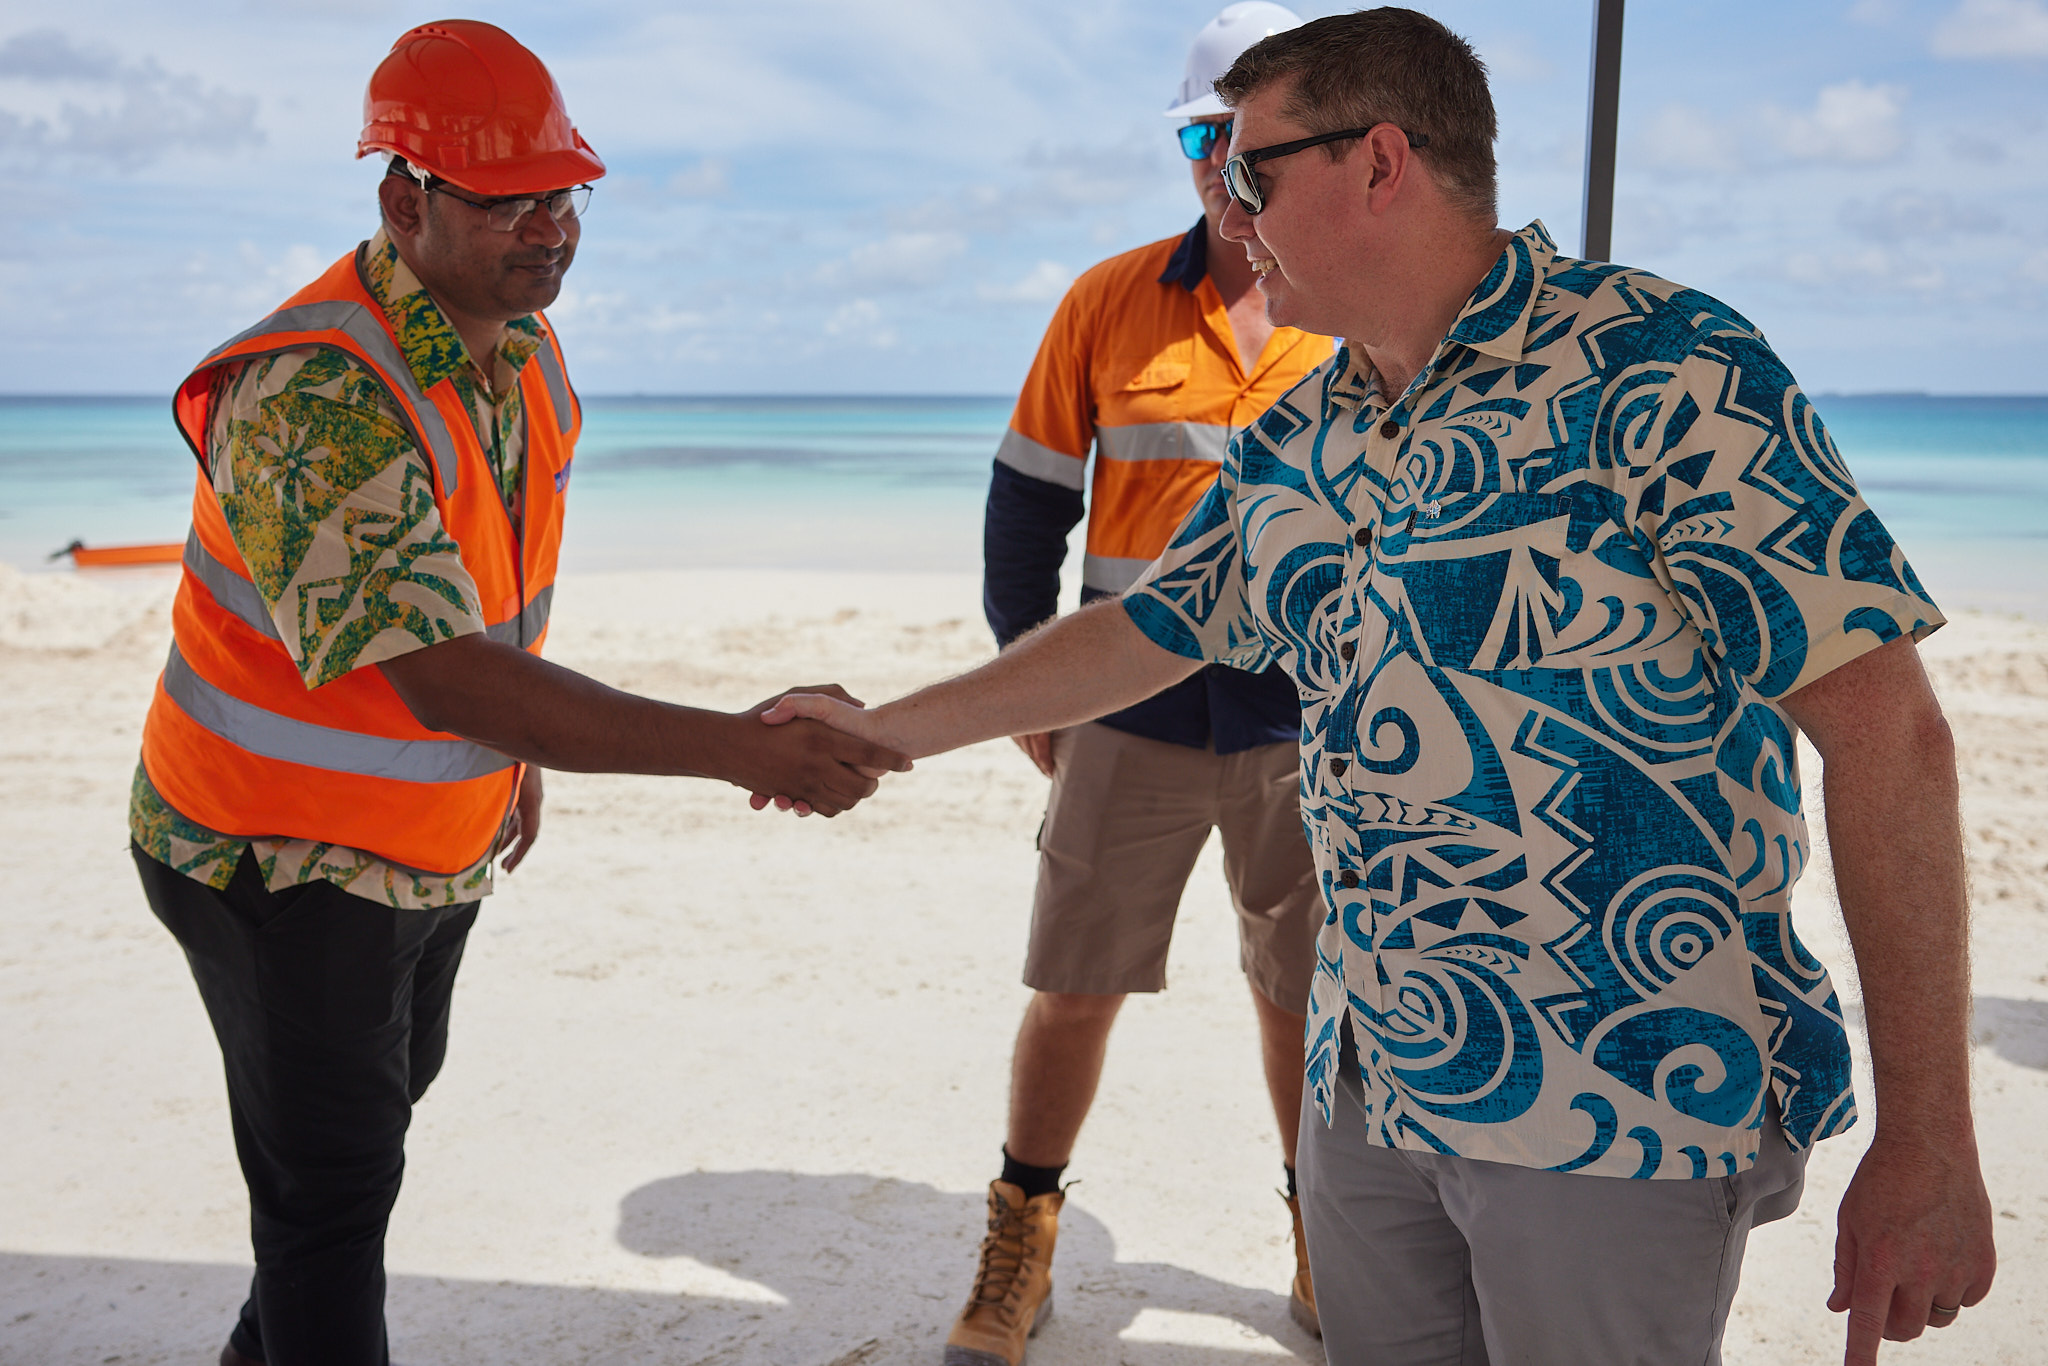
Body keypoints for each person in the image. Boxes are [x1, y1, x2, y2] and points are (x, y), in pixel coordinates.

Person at [761, 9, 1997, 1364]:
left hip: (1616, 1102)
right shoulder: (1306, 428)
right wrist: (885, 730)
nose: (1231, 211)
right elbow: (1147, 628)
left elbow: (1889, 734)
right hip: (1366, 1096)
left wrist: (1928, 1134)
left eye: (1253, 170)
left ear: (1379, 163)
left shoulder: (1667, 368)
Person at [130, 22, 905, 1366]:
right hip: (270, 853)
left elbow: (484, 603)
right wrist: (743, 748)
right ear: (401, 200)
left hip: (434, 843)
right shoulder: (313, 390)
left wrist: (517, 757)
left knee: (358, 1150)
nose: (552, 226)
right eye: (509, 199)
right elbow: (439, 672)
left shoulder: (526, 352)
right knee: (331, 1200)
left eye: (567, 192)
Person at [954, 5, 1328, 1359]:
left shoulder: (1360, 310)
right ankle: (1021, 1234)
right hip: (1126, 717)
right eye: (1201, 135)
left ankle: (1316, 1233)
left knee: (1303, 991)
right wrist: (1029, 687)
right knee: (1073, 983)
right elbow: (1026, 509)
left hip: (1312, 731)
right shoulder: (1107, 301)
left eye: (1253, 139)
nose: (1226, 166)